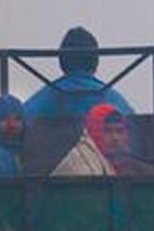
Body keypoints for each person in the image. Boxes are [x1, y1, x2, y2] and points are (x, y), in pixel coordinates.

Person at [22, 26, 139, 174]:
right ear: (95, 59)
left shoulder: (38, 103)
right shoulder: (116, 102)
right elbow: (137, 136)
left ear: (62, 59)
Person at [84, 103, 154, 176]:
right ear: (95, 131)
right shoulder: (84, 159)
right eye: (108, 131)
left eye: (119, 131)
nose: (115, 138)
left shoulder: (129, 163)